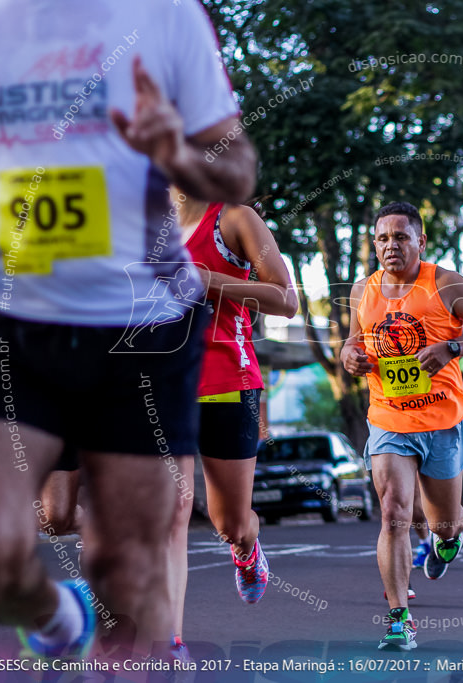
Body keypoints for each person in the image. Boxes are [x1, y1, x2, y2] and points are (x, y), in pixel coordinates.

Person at [0, 0, 255, 660]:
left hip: (143, 329)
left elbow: (236, 166)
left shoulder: (166, 16)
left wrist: (177, 151)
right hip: (5, 320)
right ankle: (59, 616)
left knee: (127, 568)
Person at [341, 201, 463, 651]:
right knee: (393, 513)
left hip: (442, 420)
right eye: (382, 238)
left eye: (400, 236)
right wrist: (348, 355)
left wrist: (452, 346)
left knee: (444, 523)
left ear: (420, 242)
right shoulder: (363, 291)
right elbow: (355, 340)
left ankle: (447, 539)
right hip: (389, 418)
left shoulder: (445, 283)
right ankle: (399, 619)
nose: (390, 245)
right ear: (374, 245)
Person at [166, 192, 297, 658]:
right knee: (172, 511)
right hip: (160, 382)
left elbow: (286, 299)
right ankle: (170, 642)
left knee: (229, 522)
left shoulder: (235, 219)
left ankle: (246, 548)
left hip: (227, 379)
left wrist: (208, 280)